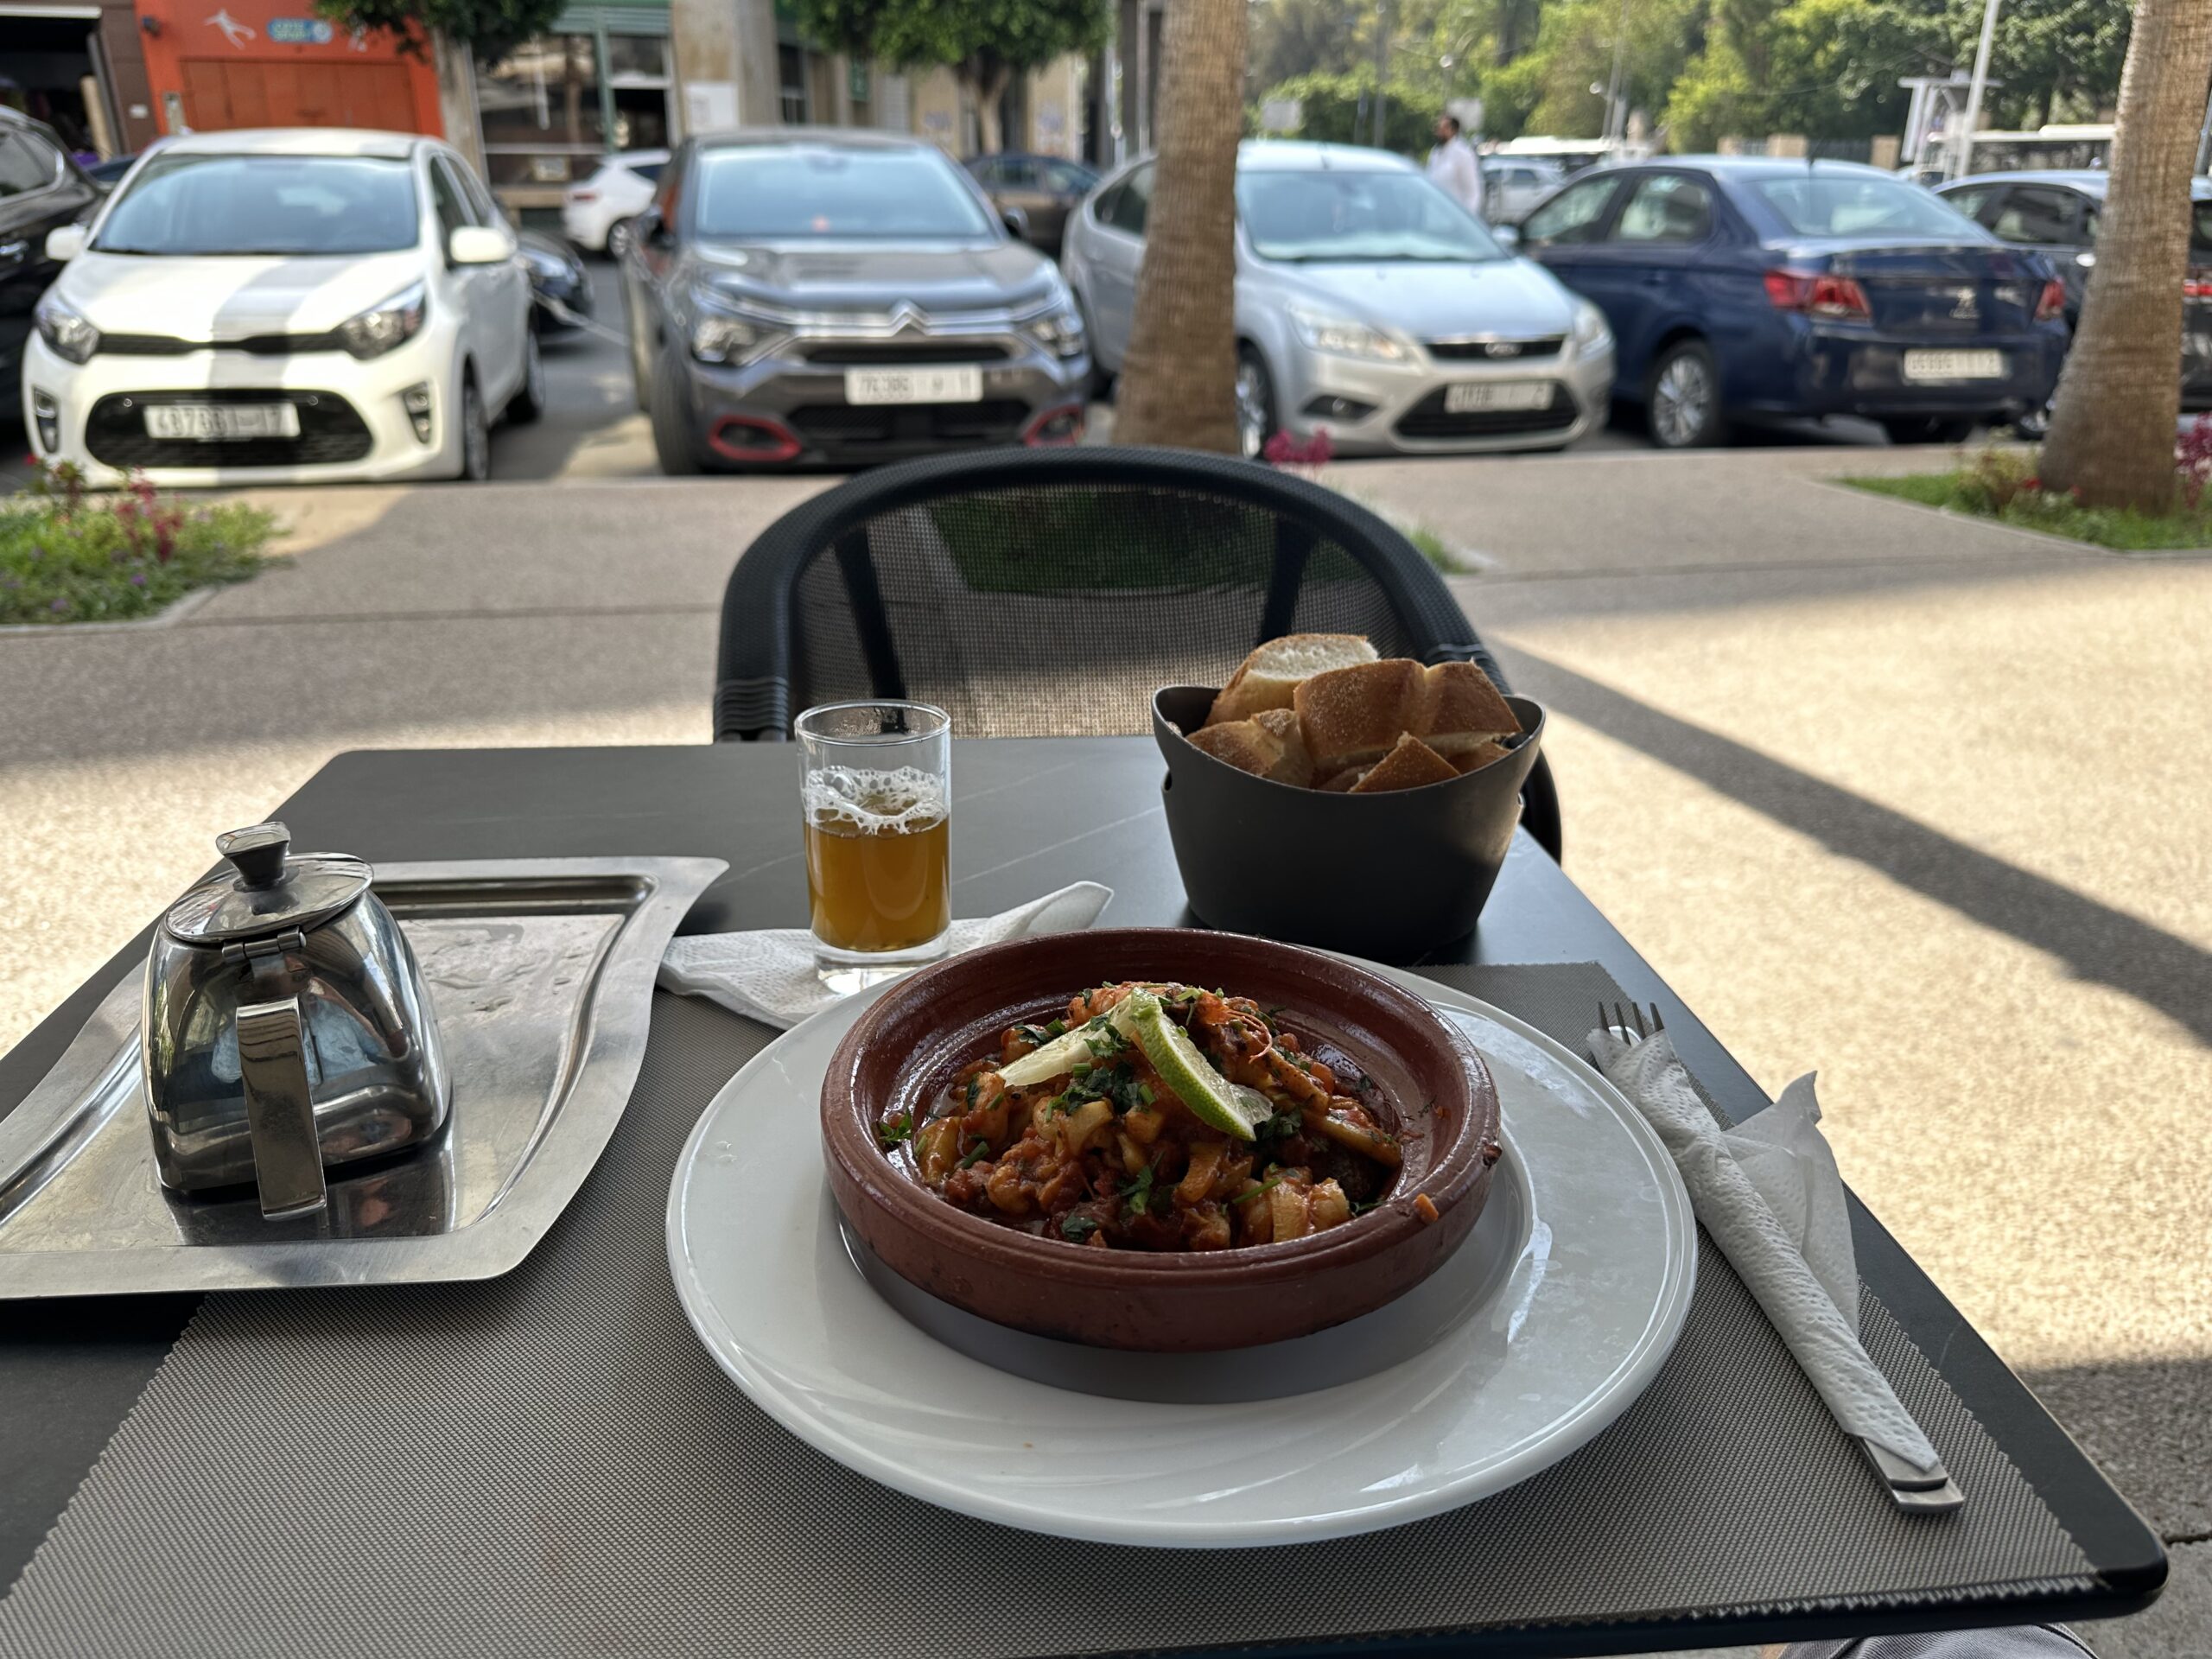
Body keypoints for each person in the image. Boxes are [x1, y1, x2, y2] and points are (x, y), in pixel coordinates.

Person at [1426, 114, 1484, 219]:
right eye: (1438, 128)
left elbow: (1472, 192)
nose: (1439, 131)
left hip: (1456, 218)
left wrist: (1468, 218)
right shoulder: (1435, 152)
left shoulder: (1463, 154)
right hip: (1435, 216)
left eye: (1443, 128)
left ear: (1453, 130)